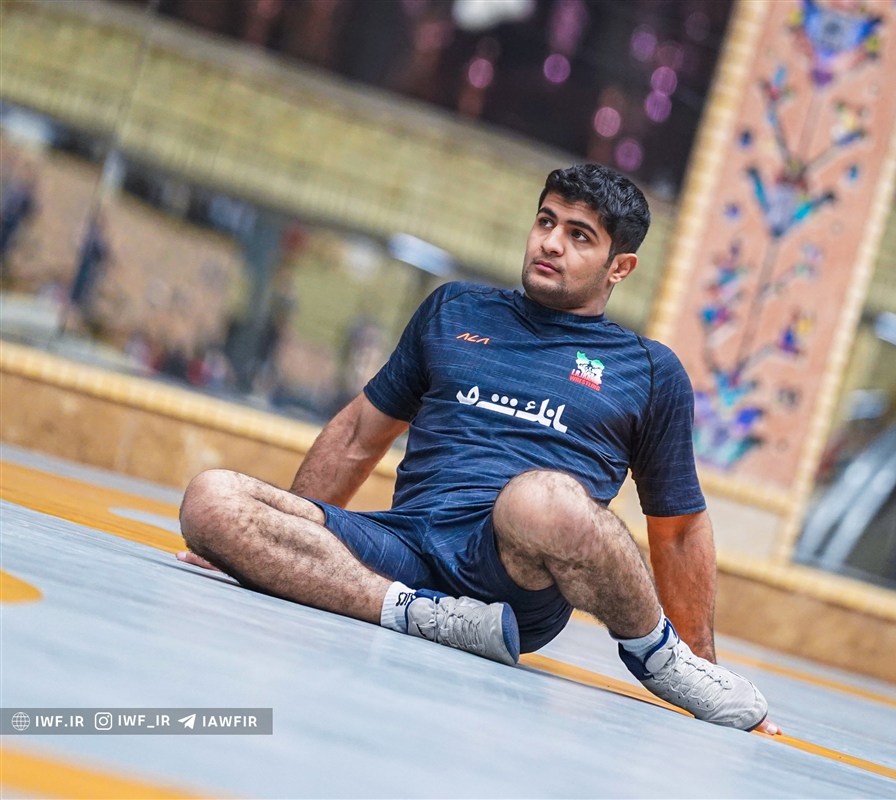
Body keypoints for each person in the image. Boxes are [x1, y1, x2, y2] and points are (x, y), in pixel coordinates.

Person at [179, 164, 778, 733]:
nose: (550, 243)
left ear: (619, 267)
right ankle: (421, 615)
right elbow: (360, 434)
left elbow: (678, 530)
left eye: (578, 236)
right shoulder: (454, 310)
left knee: (540, 499)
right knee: (213, 500)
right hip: (406, 546)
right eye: (545, 221)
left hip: (516, 576)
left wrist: (702, 667)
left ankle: (661, 658)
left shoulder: (648, 371)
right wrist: (277, 543)